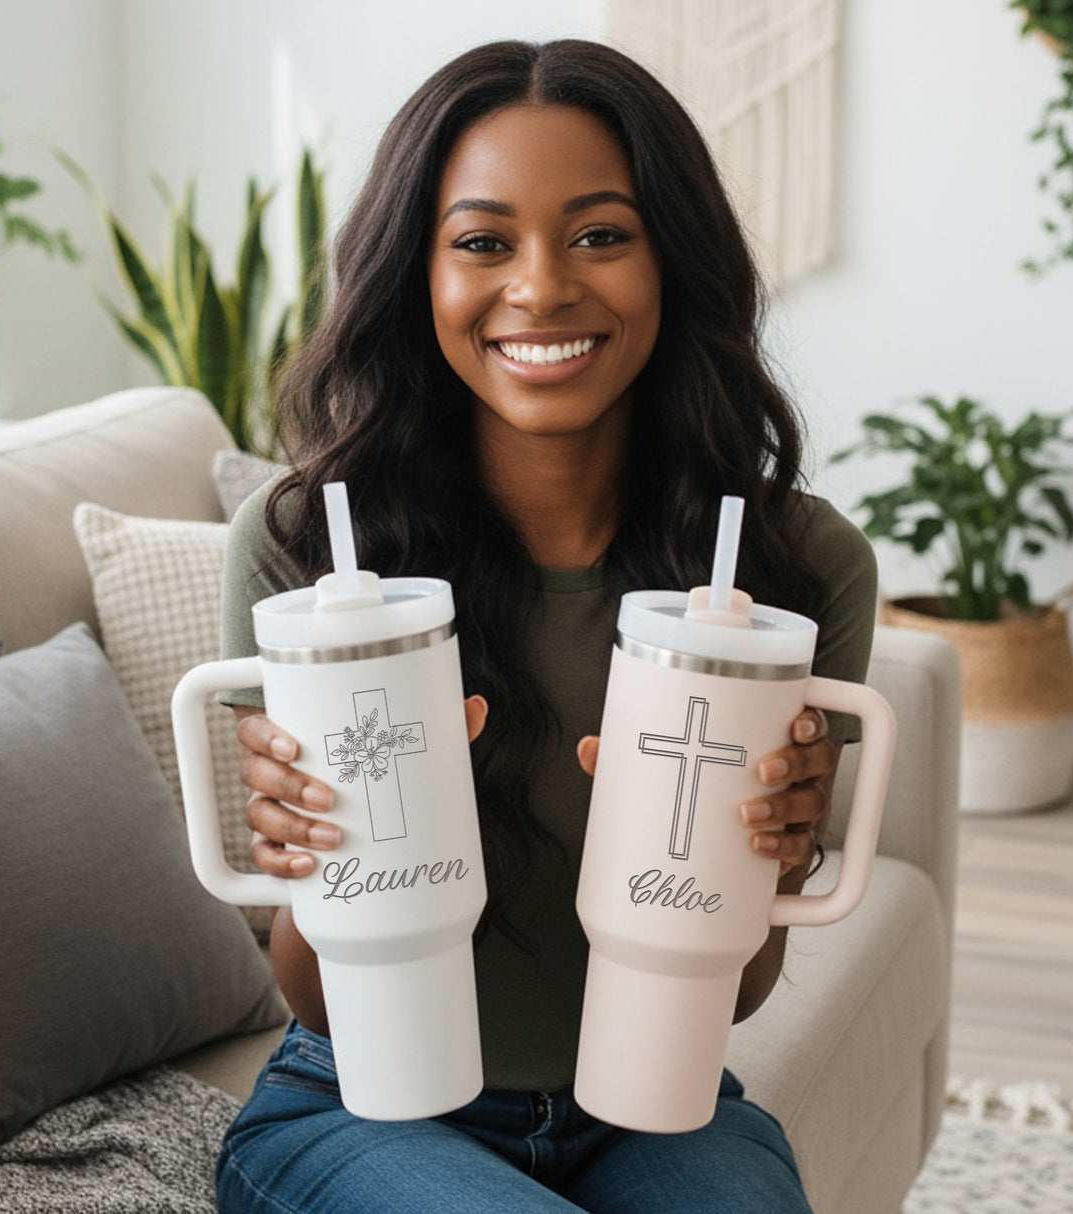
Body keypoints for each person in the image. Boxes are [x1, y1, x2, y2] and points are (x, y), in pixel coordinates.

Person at [213, 37, 877, 1214]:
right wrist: (327, 852)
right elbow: (311, 996)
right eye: (482, 242)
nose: (540, 288)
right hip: (359, 1101)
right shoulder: (306, 557)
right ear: (414, 274)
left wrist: (763, 856)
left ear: (671, 259)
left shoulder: (792, 572)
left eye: (599, 235)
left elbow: (735, 990)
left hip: (652, 1095)